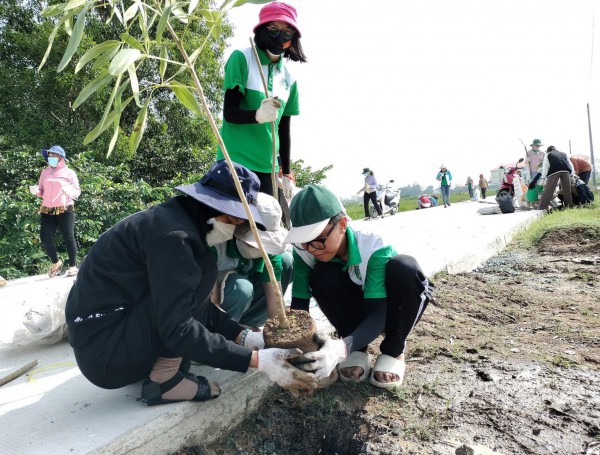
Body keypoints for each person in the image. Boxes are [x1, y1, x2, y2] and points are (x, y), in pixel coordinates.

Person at [65, 160, 316, 406]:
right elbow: (178, 326)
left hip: (113, 337)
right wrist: (257, 360)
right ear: (213, 209)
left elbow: (199, 308)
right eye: (234, 221)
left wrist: (246, 338)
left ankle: (165, 369)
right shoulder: (175, 239)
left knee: (200, 275)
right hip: (105, 353)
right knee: (202, 277)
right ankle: (164, 382)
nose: (234, 230)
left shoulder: (177, 224)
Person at [284, 186, 434, 389]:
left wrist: (337, 349)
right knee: (322, 274)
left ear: (342, 224)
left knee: (404, 267)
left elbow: (377, 315)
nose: (311, 249)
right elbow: (299, 305)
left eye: (318, 240)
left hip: (390, 306)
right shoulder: (303, 252)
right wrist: (295, 346)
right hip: (359, 303)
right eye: (303, 242)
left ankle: (394, 350)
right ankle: (358, 349)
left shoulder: (372, 247)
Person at [216, 2, 306, 199]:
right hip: (235, 162)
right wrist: (257, 115)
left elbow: (283, 128)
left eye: (286, 32)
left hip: (268, 168)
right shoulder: (242, 58)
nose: (280, 36)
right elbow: (229, 113)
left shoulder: (289, 79)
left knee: (267, 227)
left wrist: (287, 172)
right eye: (273, 29)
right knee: (229, 225)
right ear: (262, 30)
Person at [211, 192, 292, 328]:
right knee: (242, 288)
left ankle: (246, 325)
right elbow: (211, 303)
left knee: (286, 260)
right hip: (215, 307)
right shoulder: (216, 242)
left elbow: (275, 304)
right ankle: (223, 333)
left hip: (246, 309)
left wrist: (281, 332)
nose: (258, 250)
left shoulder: (268, 252)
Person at [30, 145, 81, 277]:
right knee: (45, 238)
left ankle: (72, 266)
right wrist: (36, 192)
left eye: (54, 155)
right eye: (50, 155)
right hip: (47, 209)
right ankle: (56, 262)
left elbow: (77, 191)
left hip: (65, 209)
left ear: (61, 158)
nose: (51, 158)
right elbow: (41, 191)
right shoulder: (44, 172)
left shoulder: (70, 173)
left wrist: (68, 191)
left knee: (68, 237)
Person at [537, 146, 574, 211]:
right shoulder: (564, 153)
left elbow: (545, 167)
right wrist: (572, 175)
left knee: (549, 189)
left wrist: (543, 178)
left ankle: (542, 207)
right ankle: (569, 207)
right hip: (565, 171)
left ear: (548, 151)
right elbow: (570, 165)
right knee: (567, 190)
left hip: (554, 172)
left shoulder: (548, 154)